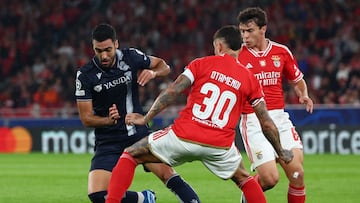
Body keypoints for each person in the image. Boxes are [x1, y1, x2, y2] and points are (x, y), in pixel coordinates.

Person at [105, 25, 294, 203]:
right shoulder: (250, 79)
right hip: (220, 145)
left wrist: (146, 118)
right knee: (245, 178)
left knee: (131, 154)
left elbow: (173, 91)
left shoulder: (201, 64)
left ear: (219, 46)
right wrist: (280, 151)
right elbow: (266, 122)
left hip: (185, 135)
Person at [75, 23, 200, 203]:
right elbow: (86, 118)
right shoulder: (85, 75)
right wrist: (108, 121)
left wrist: (152, 72)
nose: (104, 55)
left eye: (108, 50)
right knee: (97, 195)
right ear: (93, 48)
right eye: (98, 50)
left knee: (168, 175)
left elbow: (164, 66)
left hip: (137, 134)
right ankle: (144, 199)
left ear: (116, 44)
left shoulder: (131, 57)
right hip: (108, 141)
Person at [236, 7, 314, 203]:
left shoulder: (281, 52)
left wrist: (303, 94)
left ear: (263, 29)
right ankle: (248, 198)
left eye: (249, 30)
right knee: (270, 179)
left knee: (297, 173)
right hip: (253, 120)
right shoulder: (237, 56)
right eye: (242, 31)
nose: (245, 36)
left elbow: (297, 80)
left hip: (279, 117)